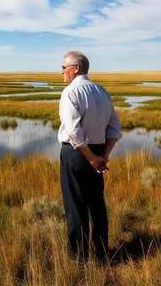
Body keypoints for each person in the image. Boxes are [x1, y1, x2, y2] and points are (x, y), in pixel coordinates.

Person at [58, 51, 121, 262]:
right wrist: (102, 155)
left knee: (76, 206)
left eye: (63, 67)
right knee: (96, 205)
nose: (61, 72)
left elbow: (74, 132)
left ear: (76, 68)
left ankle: (79, 258)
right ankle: (102, 254)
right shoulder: (101, 91)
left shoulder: (70, 92)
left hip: (76, 154)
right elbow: (115, 128)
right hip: (97, 152)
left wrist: (91, 157)